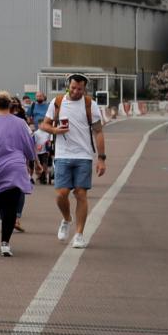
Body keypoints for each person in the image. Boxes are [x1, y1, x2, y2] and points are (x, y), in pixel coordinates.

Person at [39, 72, 108, 249]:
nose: (76, 91)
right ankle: (67, 219)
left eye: (80, 89)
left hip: (83, 155)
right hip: (62, 155)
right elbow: (44, 125)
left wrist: (101, 158)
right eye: (73, 88)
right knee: (61, 194)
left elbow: (98, 131)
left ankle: (79, 234)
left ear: (85, 89)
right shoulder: (58, 102)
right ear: (68, 85)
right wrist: (55, 131)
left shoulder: (89, 104)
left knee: (80, 194)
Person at [0, 92, 36, 256]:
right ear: (10, 105)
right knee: (10, 206)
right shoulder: (20, 123)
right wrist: (31, 161)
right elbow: (29, 146)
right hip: (15, 170)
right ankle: (5, 244)